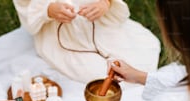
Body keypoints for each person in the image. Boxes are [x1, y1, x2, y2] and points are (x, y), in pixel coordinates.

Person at [12, 0, 161, 84]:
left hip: (99, 21)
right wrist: (48, 10)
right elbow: (25, 4)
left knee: (138, 53)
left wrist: (106, 3)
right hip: (61, 32)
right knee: (96, 74)